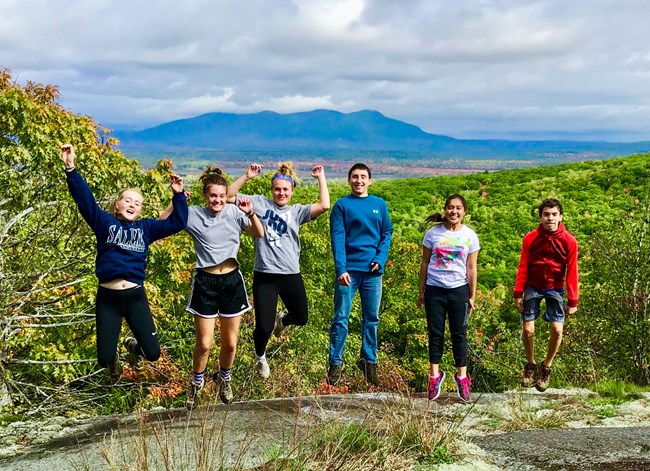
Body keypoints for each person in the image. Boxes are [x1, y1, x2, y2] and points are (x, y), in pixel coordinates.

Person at [60, 144, 188, 382]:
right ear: (117, 204)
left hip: (134, 297)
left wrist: (178, 195)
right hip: (107, 298)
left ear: (140, 210)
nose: (132, 205)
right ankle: (114, 361)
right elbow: (85, 201)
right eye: (127, 200)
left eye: (137, 203)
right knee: (105, 358)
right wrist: (71, 168)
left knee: (153, 353)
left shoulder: (146, 228)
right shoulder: (103, 223)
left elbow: (178, 223)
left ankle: (133, 347)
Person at [161, 166, 264, 408]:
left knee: (230, 343)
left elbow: (258, 233)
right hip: (205, 283)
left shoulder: (234, 212)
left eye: (221, 195)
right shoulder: (194, 214)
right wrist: (175, 201)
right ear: (205, 196)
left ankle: (224, 377)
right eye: (212, 195)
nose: (217, 200)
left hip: (231, 282)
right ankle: (196, 383)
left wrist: (250, 214)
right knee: (205, 343)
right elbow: (161, 223)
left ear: (225, 195)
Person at [227, 162, 330, 380]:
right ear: (271, 190)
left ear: (292, 192)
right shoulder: (260, 203)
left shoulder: (297, 211)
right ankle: (260, 356)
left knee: (301, 317)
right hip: (265, 275)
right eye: (277, 189)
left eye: (285, 190)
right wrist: (246, 176)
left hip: (290, 273)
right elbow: (227, 196)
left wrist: (321, 177)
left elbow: (324, 205)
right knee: (263, 328)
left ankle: (281, 321)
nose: (281, 193)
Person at [327, 163, 393, 386]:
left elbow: (386, 233)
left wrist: (380, 259)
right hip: (349, 272)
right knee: (341, 319)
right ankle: (335, 362)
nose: (359, 181)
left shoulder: (379, 205)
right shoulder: (341, 206)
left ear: (370, 180)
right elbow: (337, 238)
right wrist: (341, 269)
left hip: (373, 272)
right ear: (349, 180)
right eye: (355, 177)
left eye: (363, 177)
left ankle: (369, 361)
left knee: (371, 319)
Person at [417, 194, 479, 402]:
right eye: (450, 208)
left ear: (464, 212)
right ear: (445, 210)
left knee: (459, 334)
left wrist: (471, 295)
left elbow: (471, 268)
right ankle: (435, 376)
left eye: (458, 208)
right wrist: (421, 292)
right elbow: (425, 263)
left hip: (458, 290)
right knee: (435, 333)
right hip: (435, 289)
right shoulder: (432, 234)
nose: (454, 212)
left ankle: (462, 377)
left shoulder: (470, 236)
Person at [514, 198, 578, 392]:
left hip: (555, 288)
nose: (550, 218)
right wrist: (518, 292)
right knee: (528, 330)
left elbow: (572, 270)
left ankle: (546, 366)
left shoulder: (569, 241)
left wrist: (573, 300)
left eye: (554, 214)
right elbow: (523, 265)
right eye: (546, 214)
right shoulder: (531, 238)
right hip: (532, 285)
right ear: (540, 217)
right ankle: (531, 364)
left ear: (560, 216)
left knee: (557, 330)